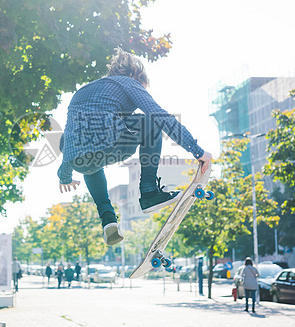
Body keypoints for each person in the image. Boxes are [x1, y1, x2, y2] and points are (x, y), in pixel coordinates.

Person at [58, 48, 212, 245]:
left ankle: (108, 219)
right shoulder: (129, 82)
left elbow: (70, 137)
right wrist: (197, 151)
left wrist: (65, 175)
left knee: (88, 154)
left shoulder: (81, 92)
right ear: (135, 76)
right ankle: (149, 193)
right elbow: (160, 115)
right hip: (112, 144)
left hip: (75, 160)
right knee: (151, 121)